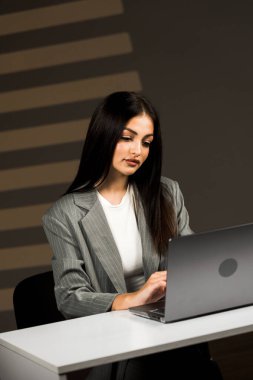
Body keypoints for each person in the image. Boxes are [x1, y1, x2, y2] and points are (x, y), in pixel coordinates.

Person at [42, 91, 223, 380]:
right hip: (115, 341)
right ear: (104, 135)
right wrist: (133, 299)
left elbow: (193, 260)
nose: (137, 151)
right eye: (127, 138)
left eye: (146, 142)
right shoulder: (65, 214)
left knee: (197, 367)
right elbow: (69, 297)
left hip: (168, 328)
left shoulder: (166, 193)